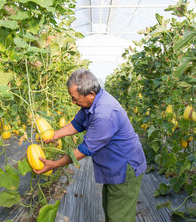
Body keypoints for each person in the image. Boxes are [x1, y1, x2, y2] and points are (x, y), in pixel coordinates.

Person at [34, 68, 147, 222]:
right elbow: (77, 123)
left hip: (124, 168)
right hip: (114, 166)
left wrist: (54, 164)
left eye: (74, 98)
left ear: (91, 94)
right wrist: (53, 135)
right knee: (111, 211)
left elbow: (84, 150)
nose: (73, 102)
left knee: (119, 217)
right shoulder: (91, 103)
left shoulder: (104, 113)